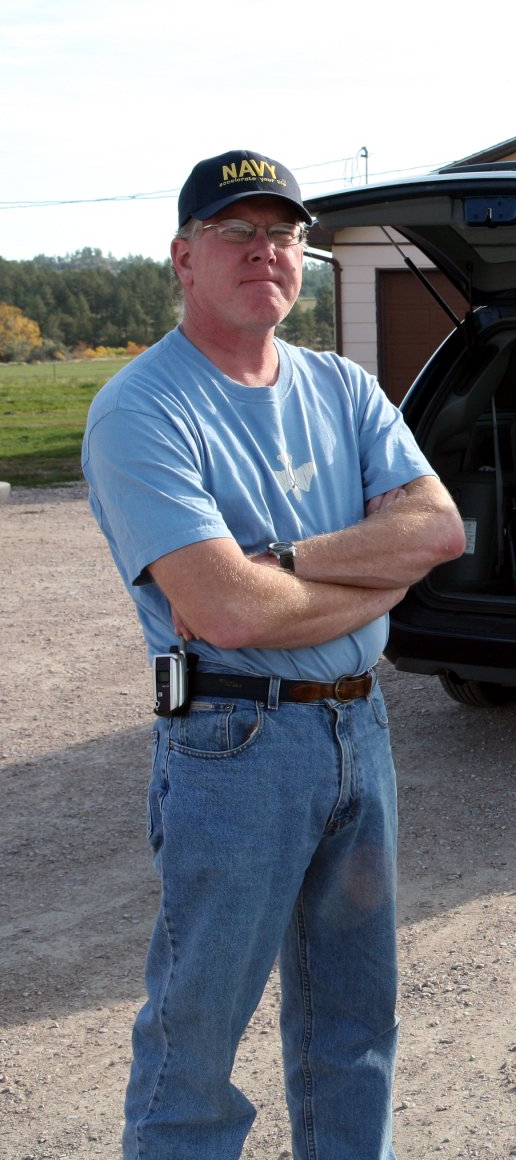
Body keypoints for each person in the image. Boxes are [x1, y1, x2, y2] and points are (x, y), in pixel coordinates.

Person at [82, 149, 465, 1159]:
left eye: (284, 235)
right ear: (183, 257)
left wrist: (291, 560)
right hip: (232, 743)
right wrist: (368, 578)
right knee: (195, 1040)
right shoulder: (142, 409)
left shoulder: (340, 386)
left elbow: (439, 532)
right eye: (237, 234)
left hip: (358, 726)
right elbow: (225, 610)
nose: (266, 252)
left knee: (356, 1021)